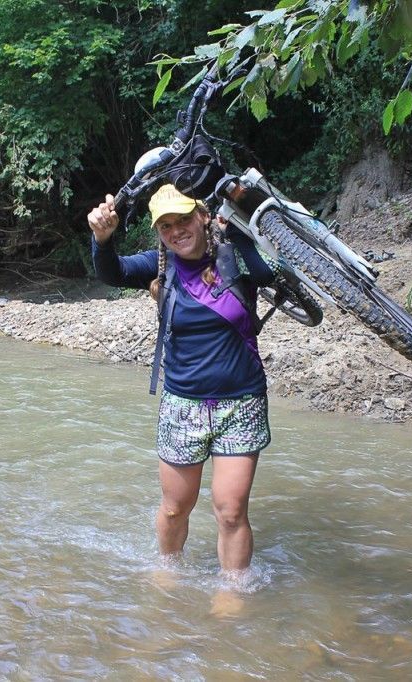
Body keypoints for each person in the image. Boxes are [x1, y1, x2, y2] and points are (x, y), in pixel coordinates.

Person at [87, 184, 276, 580]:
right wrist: (102, 239)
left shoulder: (233, 257)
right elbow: (112, 272)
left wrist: (239, 232)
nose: (176, 231)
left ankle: (234, 590)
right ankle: (169, 570)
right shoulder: (162, 268)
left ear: (202, 216)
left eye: (184, 219)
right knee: (175, 508)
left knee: (231, 511)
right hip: (181, 406)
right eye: (165, 225)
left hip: (240, 403)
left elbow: (264, 273)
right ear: (158, 232)